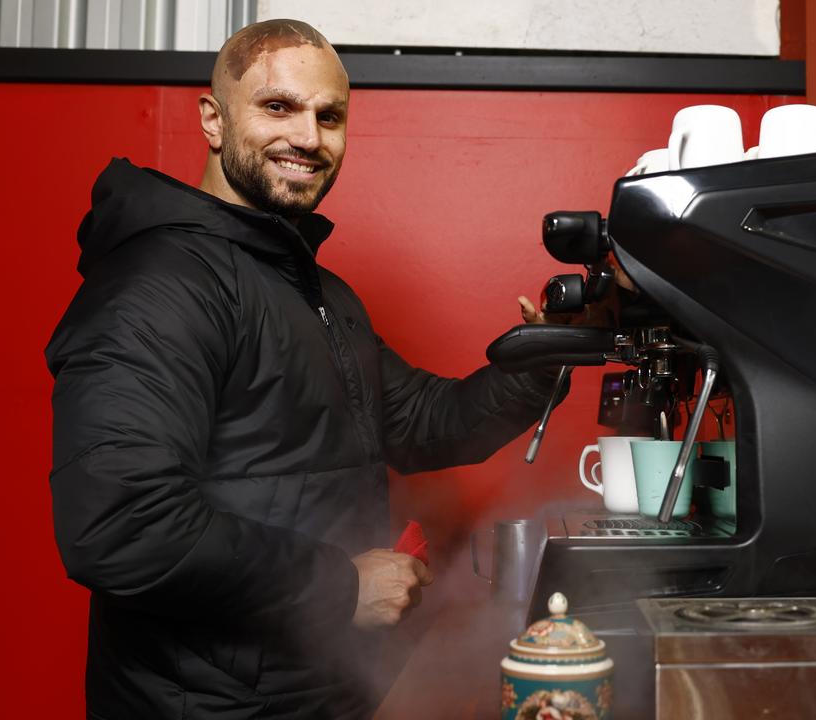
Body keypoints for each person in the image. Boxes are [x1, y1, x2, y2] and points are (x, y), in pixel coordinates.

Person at [46, 19, 559, 719]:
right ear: (213, 120)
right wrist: (340, 588)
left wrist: (547, 355)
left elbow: (424, 424)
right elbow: (121, 523)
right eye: (278, 107)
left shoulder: (312, 290)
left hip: (325, 691)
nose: (310, 138)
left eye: (330, 116)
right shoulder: (160, 284)